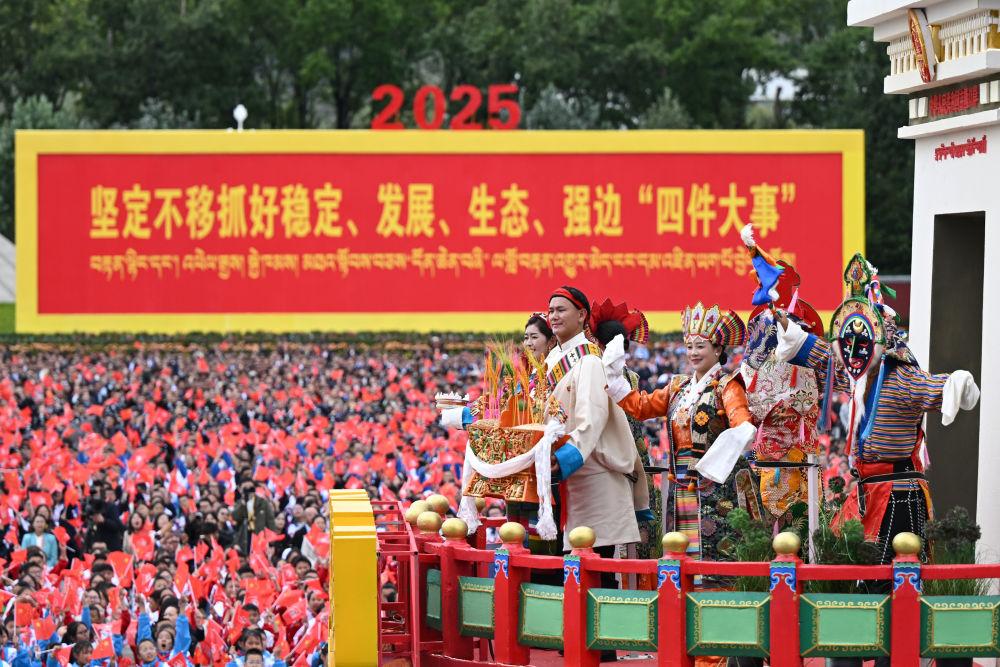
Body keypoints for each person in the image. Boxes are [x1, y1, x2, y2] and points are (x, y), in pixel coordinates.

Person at [775, 253, 980, 564]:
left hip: (899, 491)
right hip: (866, 489)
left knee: (896, 570)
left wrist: (958, 382)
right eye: (848, 343)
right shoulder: (854, 375)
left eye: (862, 343)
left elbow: (938, 387)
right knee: (860, 569)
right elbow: (820, 354)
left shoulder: (902, 377)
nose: (853, 352)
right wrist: (785, 323)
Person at [605, 303, 760, 568]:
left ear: (718, 349)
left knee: (714, 549)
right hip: (680, 480)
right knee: (681, 547)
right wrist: (613, 374)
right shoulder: (678, 387)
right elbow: (641, 407)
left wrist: (718, 458)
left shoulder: (727, 386)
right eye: (689, 347)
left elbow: (743, 424)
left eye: (700, 346)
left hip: (714, 483)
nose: (693, 353)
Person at [546, 286, 650, 556]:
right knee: (568, 565)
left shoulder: (590, 360)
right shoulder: (551, 360)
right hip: (563, 474)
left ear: (581, 315)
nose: (553, 316)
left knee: (591, 564)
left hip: (591, 474)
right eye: (550, 310)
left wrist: (566, 456)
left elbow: (593, 416)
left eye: (561, 310)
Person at [589, 298, 659, 559]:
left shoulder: (596, 372)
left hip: (608, 455)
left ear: (597, 343)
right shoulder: (632, 377)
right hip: (635, 453)